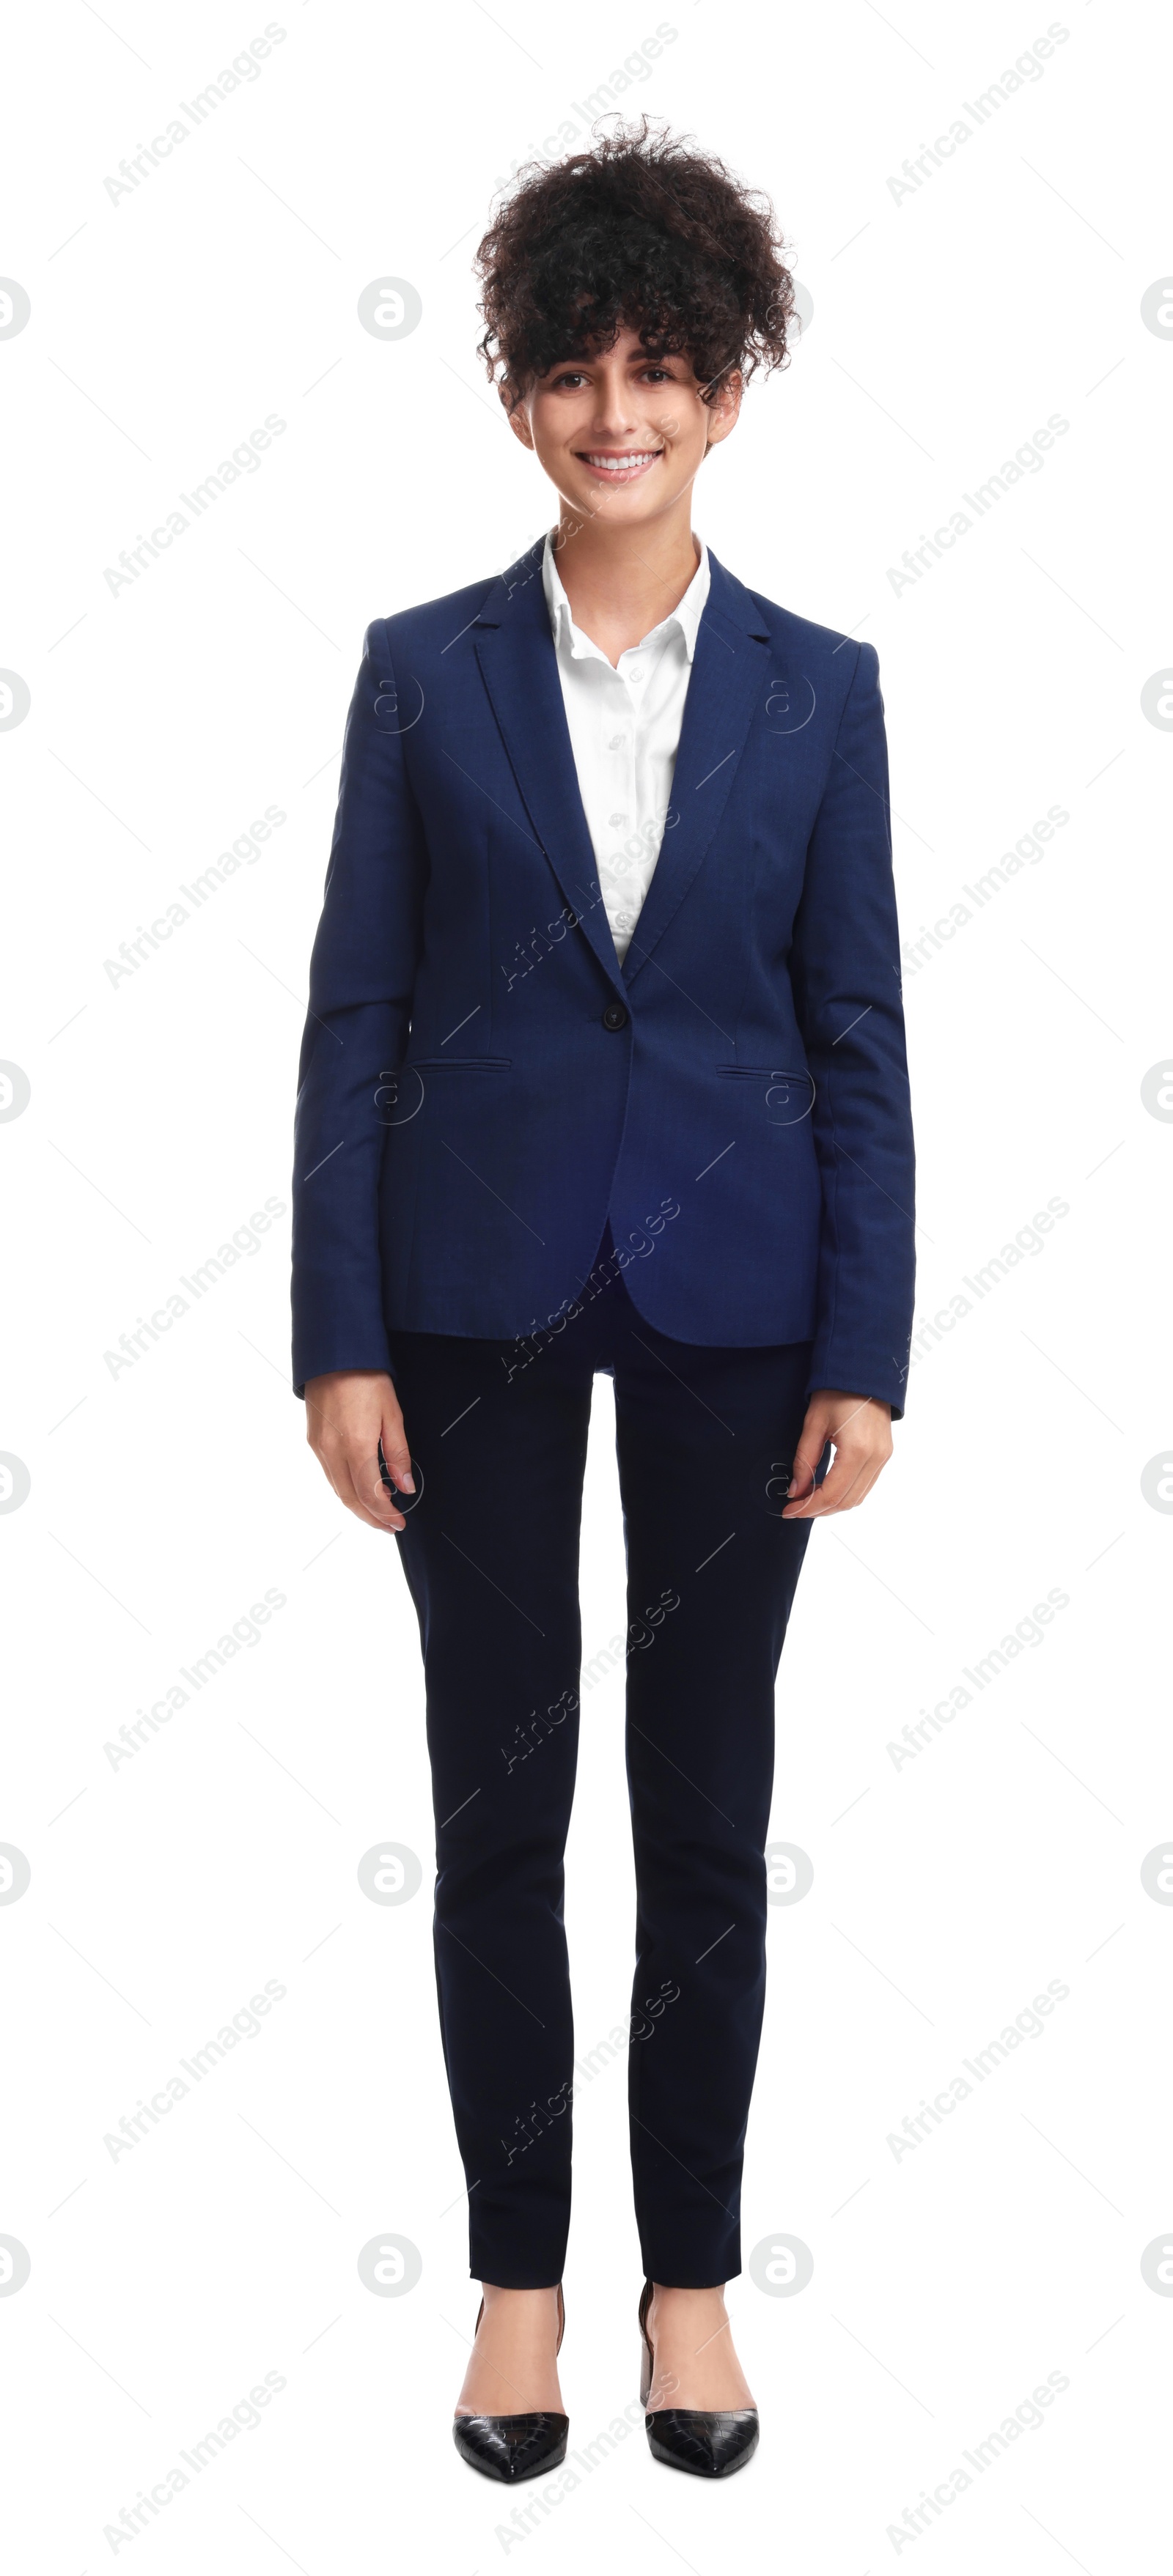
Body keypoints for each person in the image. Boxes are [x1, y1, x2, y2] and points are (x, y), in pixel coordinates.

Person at [291, 119, 915, 2484]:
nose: (617, 409)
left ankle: (695, 2288)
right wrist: (334, 1332)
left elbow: (856, 1030)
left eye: (663, 366)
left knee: (708, 1807)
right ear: (519, 393)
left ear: (732, 387)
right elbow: (354, 1010)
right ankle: (519, 2289)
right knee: (498, 1808)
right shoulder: (419, 676)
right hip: (466, 1305)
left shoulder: (825, 691)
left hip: (746, 1314)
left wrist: (866, 1347)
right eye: (573, 367)